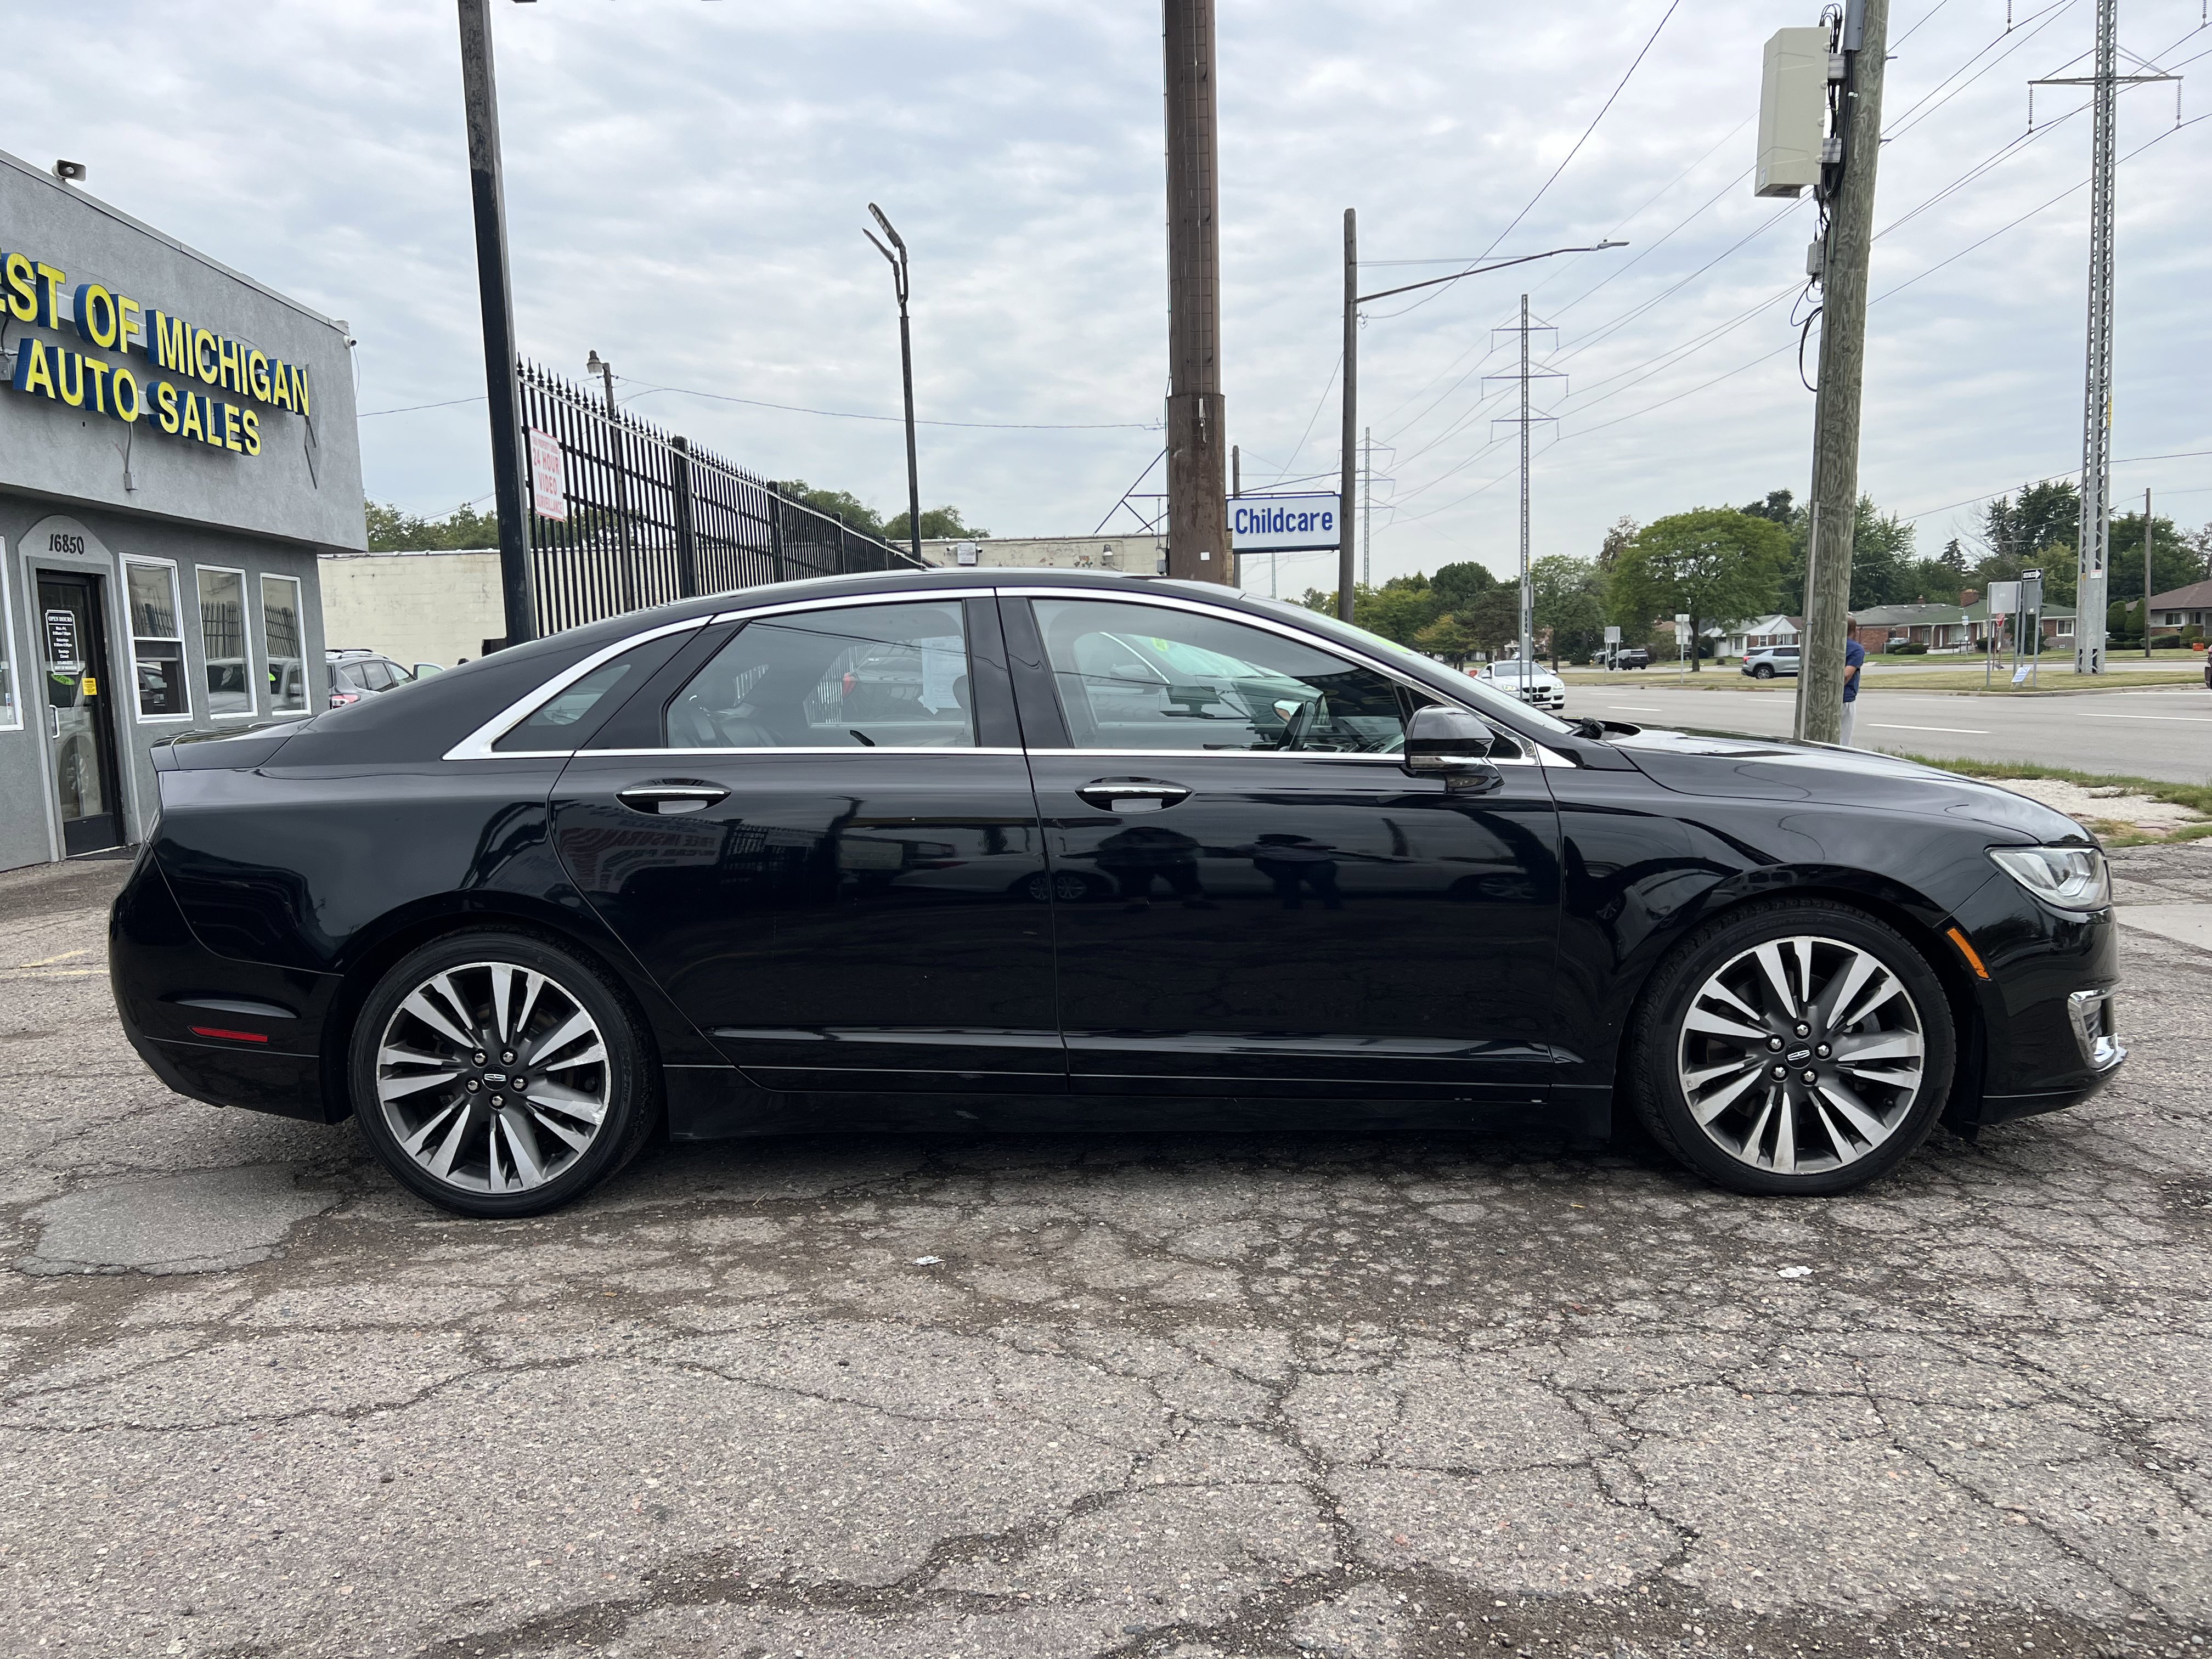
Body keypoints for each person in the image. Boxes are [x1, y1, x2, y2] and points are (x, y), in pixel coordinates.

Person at [1838, 614, 1865, 746]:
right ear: (1854, 631)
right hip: (1844, 699)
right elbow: (1846, 676)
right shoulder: (1856, 649)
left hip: (1819, 699)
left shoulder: (1826, 646)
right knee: (1842, 740)